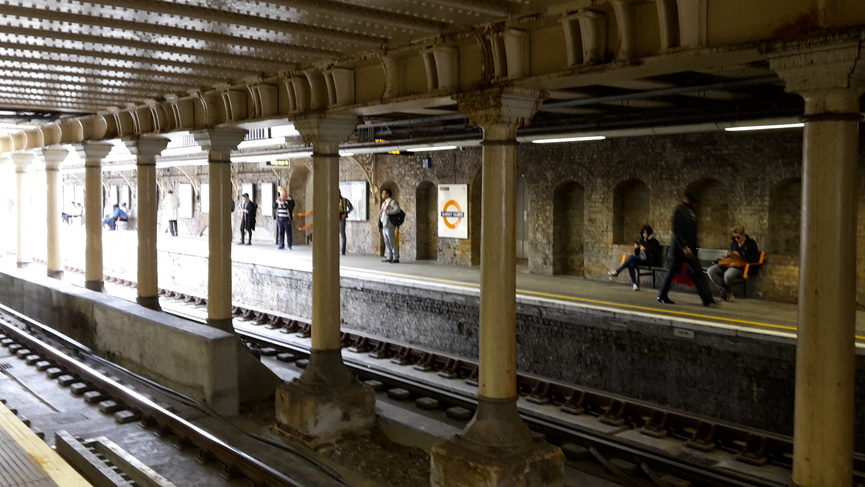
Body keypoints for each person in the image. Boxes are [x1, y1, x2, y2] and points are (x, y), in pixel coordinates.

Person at [656, 192, 714, 306]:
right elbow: (676, 231)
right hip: (679, 250)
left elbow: (692, 233)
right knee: (671, 273)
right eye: (694, 202)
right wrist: (684, 247)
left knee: (698, 273)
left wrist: (694, 248)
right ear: (688, 201)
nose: (696, 205)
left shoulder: (692, 213)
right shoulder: (679, 211)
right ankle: (662, 295)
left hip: (691, 251)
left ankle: (707, 299)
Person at [707, 226, 760, 302]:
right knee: (711, 271)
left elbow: (754, 258)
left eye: (738, 237)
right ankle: (724, 292)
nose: (736, 239)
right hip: (730, 262)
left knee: (728, 275)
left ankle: (729, 293)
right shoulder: (734, 243)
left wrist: (741, 255)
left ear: (743, 234)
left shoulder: (751, 243)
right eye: (734, 237)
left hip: (741, 265)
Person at [609, 224, 661, 291]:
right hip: (640, 259)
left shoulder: (654, 242)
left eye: (646, 233)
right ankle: (635, 284)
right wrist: (636, 248)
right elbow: (637, 253)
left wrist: (646, 249)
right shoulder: (641, 241)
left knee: (630, 258)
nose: (644, 234)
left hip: (648, 260)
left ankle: (617, 271)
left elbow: (655, 252)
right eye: (643, 233)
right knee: (631, 264)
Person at [379, 188, 400, 263]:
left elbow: (397, 209)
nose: (382, 195)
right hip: (384, 224)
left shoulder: (392, 202)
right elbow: (381, 212)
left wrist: (388, 212)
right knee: (386, 241)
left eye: (383, 193)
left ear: (388, 194)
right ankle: (389, 256)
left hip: (390, 224)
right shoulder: (384, 203)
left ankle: (395, 257)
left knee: (392, 241)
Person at [338, 190, 354, 255]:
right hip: (334, 218)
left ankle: (343, 250)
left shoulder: (344, 200)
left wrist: (346, 213)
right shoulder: (332, 200)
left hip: (342, 217)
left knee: (342, 234)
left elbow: (351, 207)